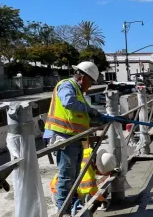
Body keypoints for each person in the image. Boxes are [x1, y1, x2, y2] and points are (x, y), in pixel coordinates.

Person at [43, 61, 107, 214]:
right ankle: (63, 210)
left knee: (74, 175)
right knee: (66, 176)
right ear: (83, 77)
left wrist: (96, 117)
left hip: (74, 138)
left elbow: (77, 116)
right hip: (64, 138)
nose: (90, 86)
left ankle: (71, 203)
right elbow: (68, 102)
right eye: (91, 82)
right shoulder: (67, 85)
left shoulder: (77, 91)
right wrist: (90, 110)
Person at [50, 147, 117, 205]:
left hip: (60, 184)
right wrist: (103, 199)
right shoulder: (87, 174)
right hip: (61, 193)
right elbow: (93, 192)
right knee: (73, 210)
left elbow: (94, 170)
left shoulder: (89, 154)